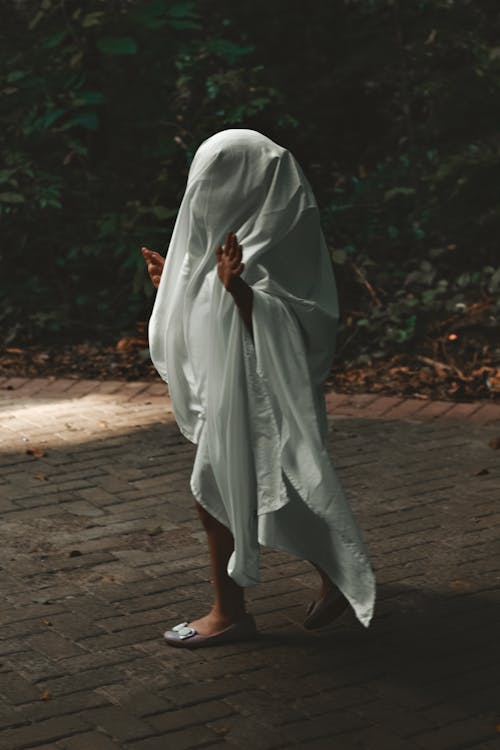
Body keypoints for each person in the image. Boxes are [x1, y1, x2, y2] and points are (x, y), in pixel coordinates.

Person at [142, 129, 376, 649]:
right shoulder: (219, 236)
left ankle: (230, 612)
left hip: (262, 392)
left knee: (245, 490)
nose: (203, 195)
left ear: (248, 181)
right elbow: (206, 297)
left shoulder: (282, 227)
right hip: (227, 388)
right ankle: (326, 577)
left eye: (216, 181)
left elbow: (301, 317)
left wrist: (241, 292)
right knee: (253, 491)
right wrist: (172, 288)